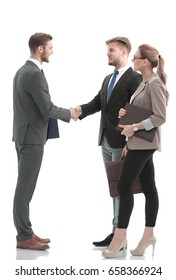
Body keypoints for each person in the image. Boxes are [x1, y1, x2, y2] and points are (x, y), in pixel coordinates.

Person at [12, 32, 78, 250]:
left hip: (24, 135)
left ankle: (27, 231)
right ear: (40, 49)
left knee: (25, 187)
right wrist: (70, 113)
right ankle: (24, 236)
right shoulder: (33, 74)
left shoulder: (21, 71)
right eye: (50, 47)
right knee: (25, 190)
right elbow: (46, 108)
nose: (52, 51)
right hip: (31, 139)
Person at [102, 44, 168, 258]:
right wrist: (126, 113)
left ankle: (120, 236)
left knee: (124, 185)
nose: (133, 61)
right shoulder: (144, 83)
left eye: (136, 58)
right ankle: (148, 236)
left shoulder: (155, 83)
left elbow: (160, 117)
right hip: (137, 142)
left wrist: (135, 127)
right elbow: (143, 111)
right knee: (149, 186)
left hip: (145, 142)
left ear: (145, 62)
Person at [75, 37, 142, 247]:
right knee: (115, 189)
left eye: (111, 50)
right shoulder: (107, 79)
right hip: (105, 140)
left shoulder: (134, 78)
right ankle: (115, 232)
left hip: (121, 142)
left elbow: (138, 109)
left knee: (122, 189)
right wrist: (79, 111)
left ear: (124, 52)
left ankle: (119, 236)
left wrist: (129, 142)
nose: (107, 53)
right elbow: (98, 102)